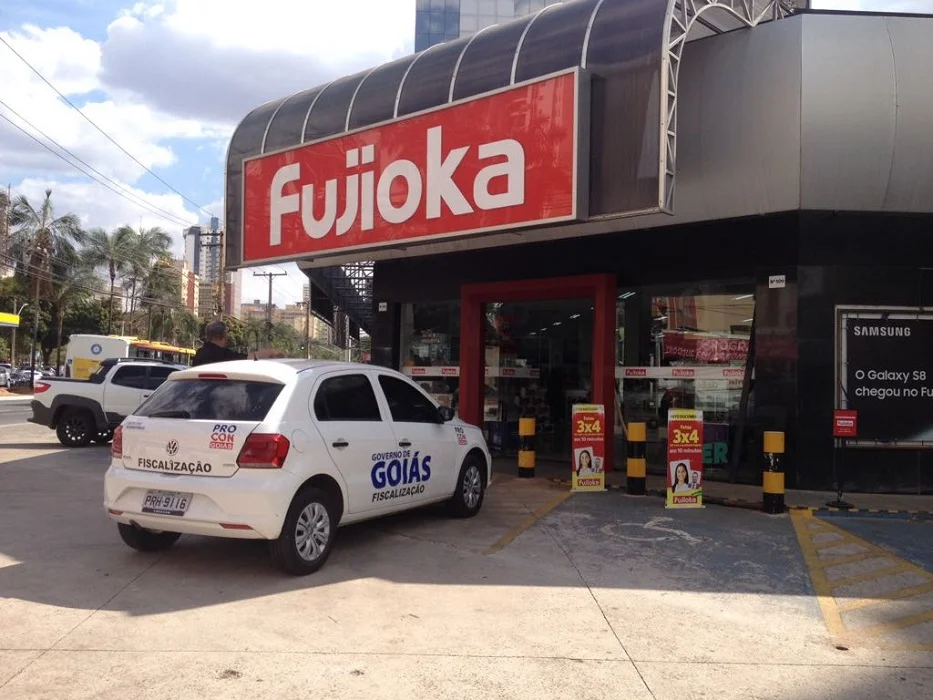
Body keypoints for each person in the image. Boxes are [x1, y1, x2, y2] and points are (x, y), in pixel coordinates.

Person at [191, 321, 281, 367]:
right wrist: (272, 352)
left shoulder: (199, 354)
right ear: (224, 335)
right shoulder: (224, 356)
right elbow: (249, 358)